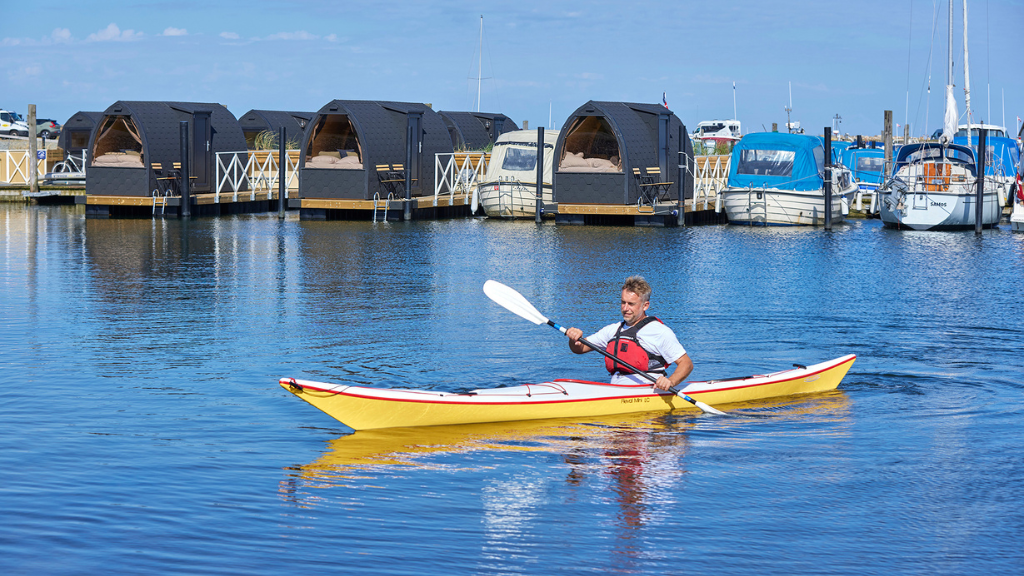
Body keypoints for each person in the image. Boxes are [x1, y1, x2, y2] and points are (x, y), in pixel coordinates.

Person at [565, 276, 692, 391]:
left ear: (645, 305)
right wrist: (574, 338)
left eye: (631, 304)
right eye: (623, 302)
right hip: (616, 389)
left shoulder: (659, 332)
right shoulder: (612, 330)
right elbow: (579, 348)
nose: (625, 308)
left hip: (648, 392)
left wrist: (670, 381)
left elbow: (686, 363)